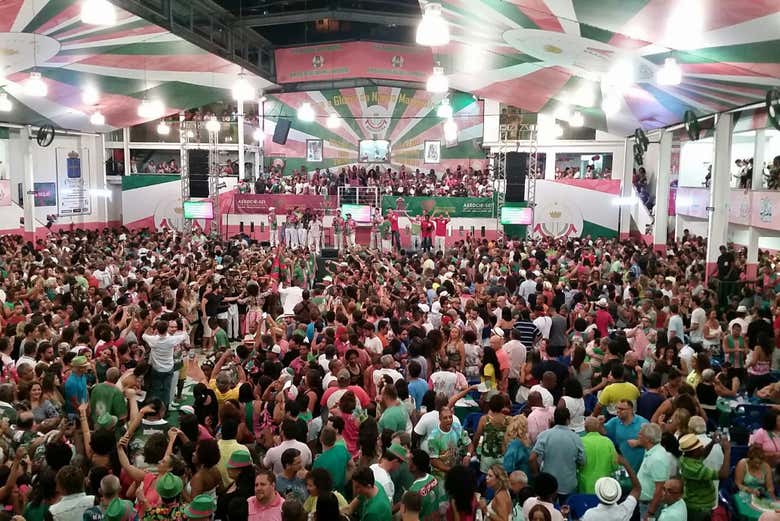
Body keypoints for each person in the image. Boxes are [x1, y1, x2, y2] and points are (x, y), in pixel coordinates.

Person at [530, 407, 585, 501]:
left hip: (548, 485)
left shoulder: (545, 435)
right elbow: (582, 461)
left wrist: (536, 475)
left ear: (554, 419)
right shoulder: (576, 438)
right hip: (568, 484)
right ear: (568, 420)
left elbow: (532, 458)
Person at [677, 433, 731, 521]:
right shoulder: (694, 469)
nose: (702, 448)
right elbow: (724, 474)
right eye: (700, 447)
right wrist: (727, 451)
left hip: (700, 505)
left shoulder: (687, 458)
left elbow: (702, 455)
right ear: (694, 452)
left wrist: (712, 442)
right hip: (699, 509)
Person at [581, 456, 641, 521]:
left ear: (599, 495)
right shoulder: (624, 511)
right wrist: (626, 464)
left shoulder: (590, 515)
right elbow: (637, 489)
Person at [637, 423, 672, 521]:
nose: (637, 436)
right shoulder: (651, 450)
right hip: (646, 504)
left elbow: (660, 489)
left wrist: (650, 512)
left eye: (640, 434)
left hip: (651, 506)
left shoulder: (657, 458)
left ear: (648, 439)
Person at [604, 399, 648, 472]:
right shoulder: (615, 421)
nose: (618, 411)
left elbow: (653, 441)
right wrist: (600, 423)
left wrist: (638, 442)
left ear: (630, 410)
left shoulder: (642, 423)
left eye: (621, 409)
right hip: (623, 465)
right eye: (617, 408)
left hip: (640, 466)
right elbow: (603, 431)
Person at [579, 416, 618, 494]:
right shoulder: (608, 442)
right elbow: (615, 464)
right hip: (604, 485)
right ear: (598, 427)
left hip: (585, 485)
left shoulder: (580, 442)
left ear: (585, 428)